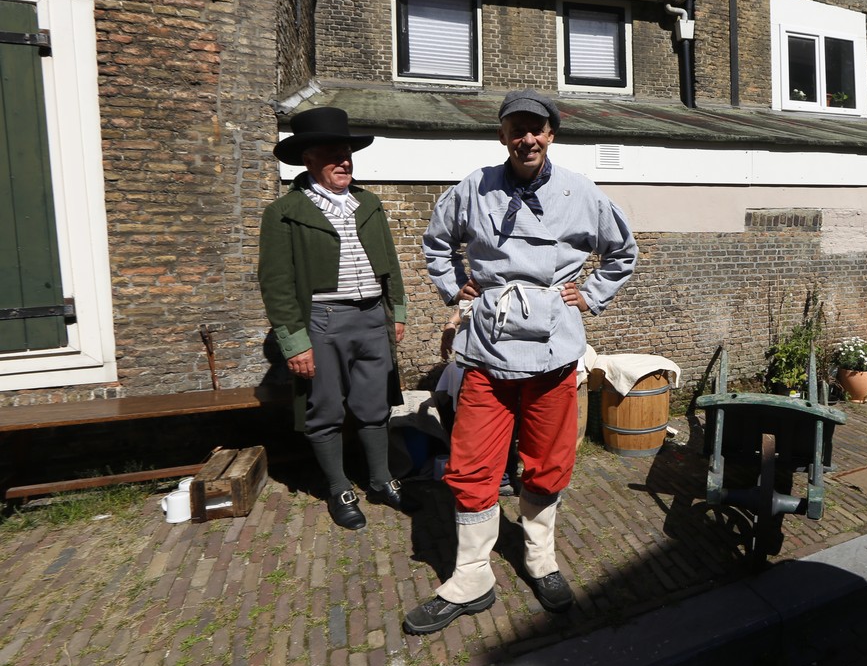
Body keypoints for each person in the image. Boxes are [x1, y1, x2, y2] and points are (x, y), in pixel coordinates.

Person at [404, 88, 637, 634]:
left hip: (553, 351)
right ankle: (471, 575)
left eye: (537, 129)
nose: (527, 138)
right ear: (503, 135)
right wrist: (454, 288)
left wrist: (590, 294)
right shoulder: (474, 187)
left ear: (551, 134)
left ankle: (539, 557)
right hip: (487, 349)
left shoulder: (582, 192)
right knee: (471, 463)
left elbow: (622, 251)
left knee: (548, 459)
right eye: (517, 129)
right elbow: (437, 243)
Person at [258, 106, 413, 531]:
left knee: (374, 404)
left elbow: (391, 264)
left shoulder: (369, 203)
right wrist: (294, 342)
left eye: (346, 153)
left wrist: (396, 312)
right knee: (324, 409)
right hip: (323, 321)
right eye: (332, 154)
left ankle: (380, 479)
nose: (344, 161)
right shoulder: (285, 211)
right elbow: (276, 283)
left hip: (372, 318)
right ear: (308, 159)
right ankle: (339, 487)